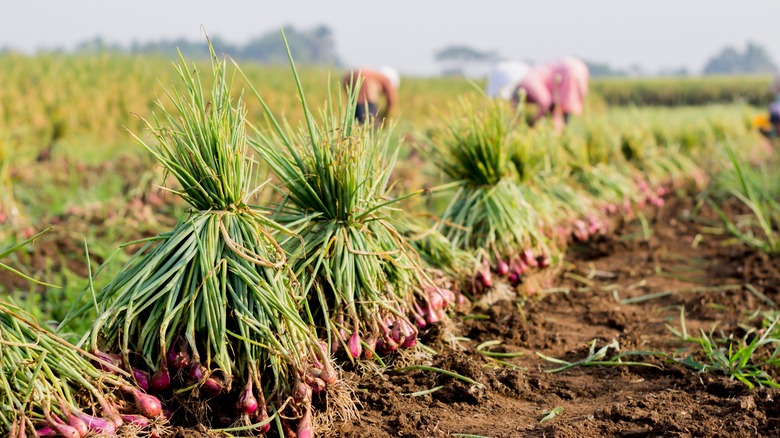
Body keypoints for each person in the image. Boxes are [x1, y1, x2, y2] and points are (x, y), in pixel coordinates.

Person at [512, 57, 589, 132]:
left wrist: (534, 122)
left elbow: (546, 101)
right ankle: (565, 132)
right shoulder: (535, 72)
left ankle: (561, 133)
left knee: (560, 106)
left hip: (568, 71)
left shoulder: (528, 81)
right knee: (566, 107)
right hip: (580, 68)